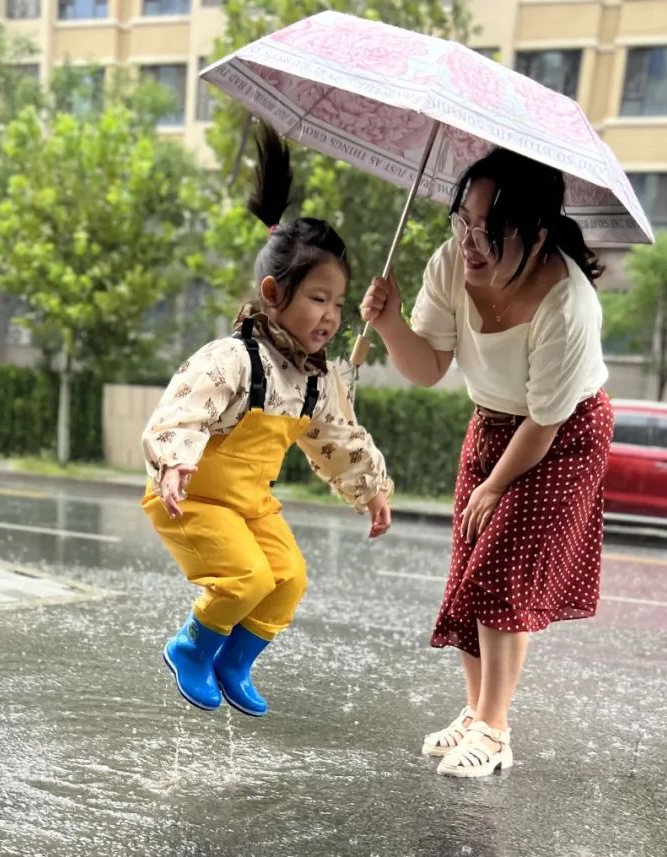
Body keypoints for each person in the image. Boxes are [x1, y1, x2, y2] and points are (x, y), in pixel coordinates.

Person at [360, 148, 613, 777]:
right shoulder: (452, 263)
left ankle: (495, 731)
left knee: (502, 572)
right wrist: (389, 322)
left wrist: (496, 486)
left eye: (490, 230)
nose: (470, 242)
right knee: (469, 569)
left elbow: (546, 419)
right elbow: (427, 368)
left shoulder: (569, 304)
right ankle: (476, 713)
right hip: (492, 423)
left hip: (563, 434)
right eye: (463, 223)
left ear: (537, 234)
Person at [141, 126, 394, 718]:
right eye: (317, 299)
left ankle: (234, 661)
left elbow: (339, 439)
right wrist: (175, 462)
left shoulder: (316, 381)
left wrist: (371, 487)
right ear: (274, 292)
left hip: (251, 505)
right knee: (248, 577)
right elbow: (184, 409)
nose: (330, 316)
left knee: (288, 579)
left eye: (338, 303)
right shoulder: (235, 358)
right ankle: (191, 647)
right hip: (194, 498)